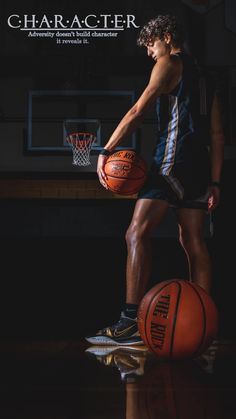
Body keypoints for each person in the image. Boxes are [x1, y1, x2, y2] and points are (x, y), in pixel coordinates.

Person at [85, 14, 225, 346]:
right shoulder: (207, 77)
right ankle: (203, 326)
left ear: (164, 36)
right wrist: (215, 183)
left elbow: (138, 111)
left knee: (136, 232)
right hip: (198, 168)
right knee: (193, 242)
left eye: (150, 45)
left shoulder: (169, 62)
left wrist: (106, 149)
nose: (150, 54)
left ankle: (130, 323)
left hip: (170, 162)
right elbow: (218, 135)